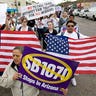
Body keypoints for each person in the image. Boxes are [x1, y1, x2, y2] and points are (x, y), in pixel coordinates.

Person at [58, 20, 88, 86]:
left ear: (74, 27)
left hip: (74, 55)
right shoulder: (62, 33)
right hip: (65, 55)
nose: (70, 27)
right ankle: (64, 78)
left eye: (72, 26)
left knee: (72, 68)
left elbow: (87, 39)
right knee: (64, 67)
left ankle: (72, 78)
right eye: (68, 26)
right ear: (66, 27)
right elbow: (54, 38)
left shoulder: (77, 34)